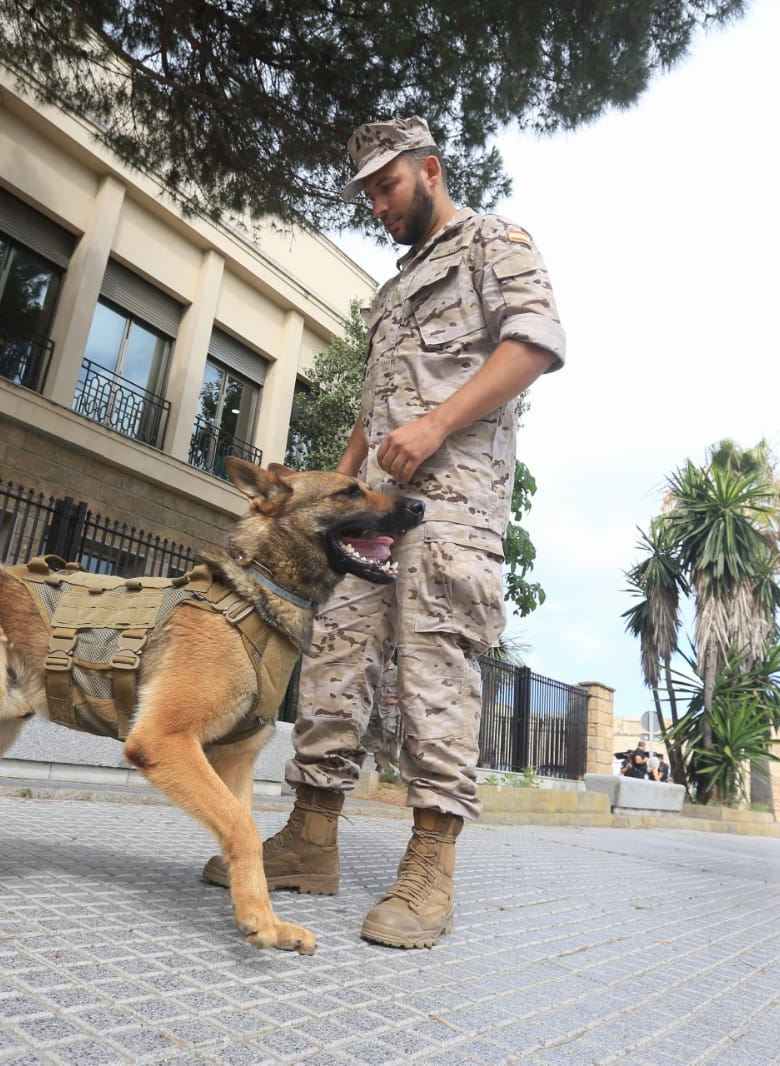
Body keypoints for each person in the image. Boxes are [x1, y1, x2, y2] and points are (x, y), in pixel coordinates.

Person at [204, 116, 565, 949]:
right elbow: (371, 415)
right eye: (366, 191)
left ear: (430, 171)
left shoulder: (494, 242)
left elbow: (535, 346)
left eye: (386, 185)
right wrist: (330, 496)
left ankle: (430, 863)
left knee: (436, 661)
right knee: (334, 647)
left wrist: (436, 427)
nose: (375, 202)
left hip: (452, 504)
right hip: (370, 509)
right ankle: (309, 836)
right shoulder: (392, 291)